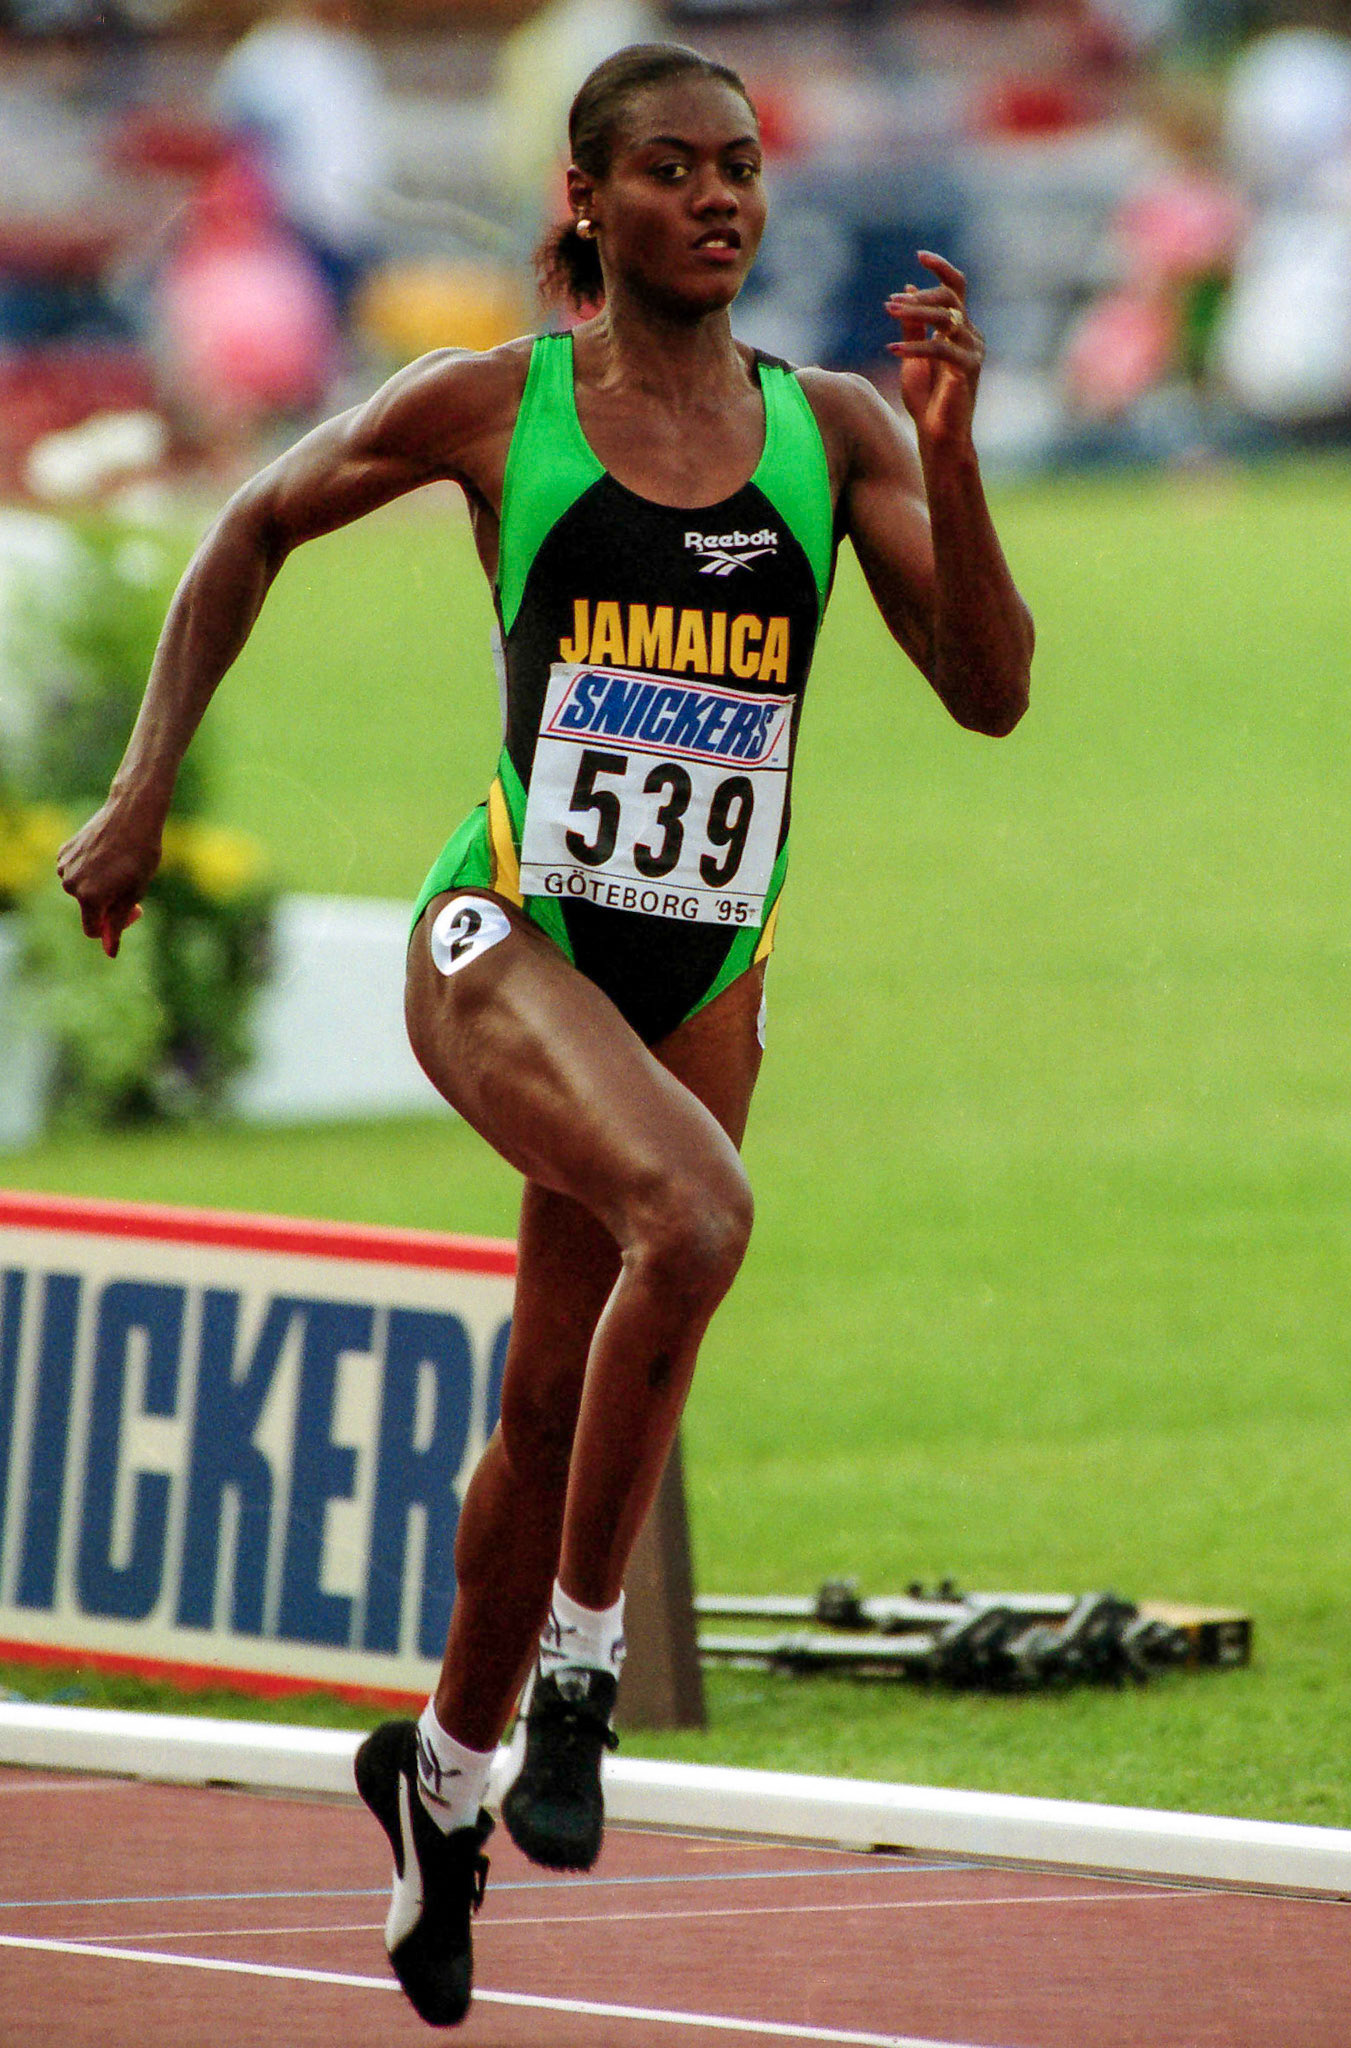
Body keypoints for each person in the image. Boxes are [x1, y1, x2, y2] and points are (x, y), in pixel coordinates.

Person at [55, 42, 1033, 2031]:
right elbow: (250, 519)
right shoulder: (501, 408)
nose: (717, 199)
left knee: (536, 1405)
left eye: (739, 169)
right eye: (670, 170)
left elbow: (988, 690)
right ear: (587, 202)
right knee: (696, 1212)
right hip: (508, 929)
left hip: (702, 967)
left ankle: (438, 1776)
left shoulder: (824, 430)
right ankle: (582, 1671)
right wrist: (142, 787)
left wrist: (949, 450)